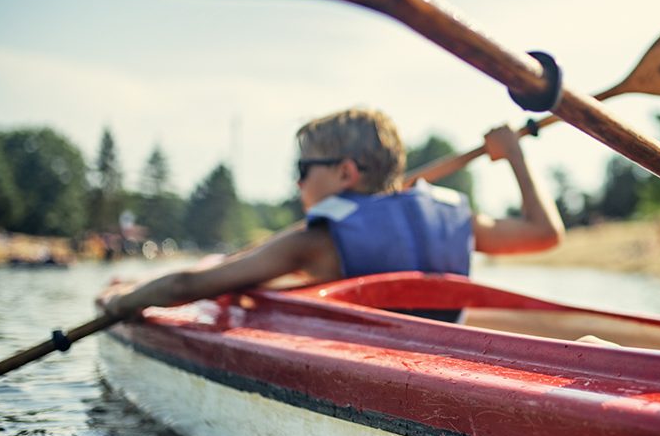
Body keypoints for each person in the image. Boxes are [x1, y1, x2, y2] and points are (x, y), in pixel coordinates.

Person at [101, 107, 564, 316]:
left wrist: (123, 300)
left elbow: (189, 285)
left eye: (303, 167)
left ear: (345, 173)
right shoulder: (453, 219)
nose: (297, 181)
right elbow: (544, 233)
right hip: (447, 362)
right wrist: (516, 157)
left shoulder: (313, 242)